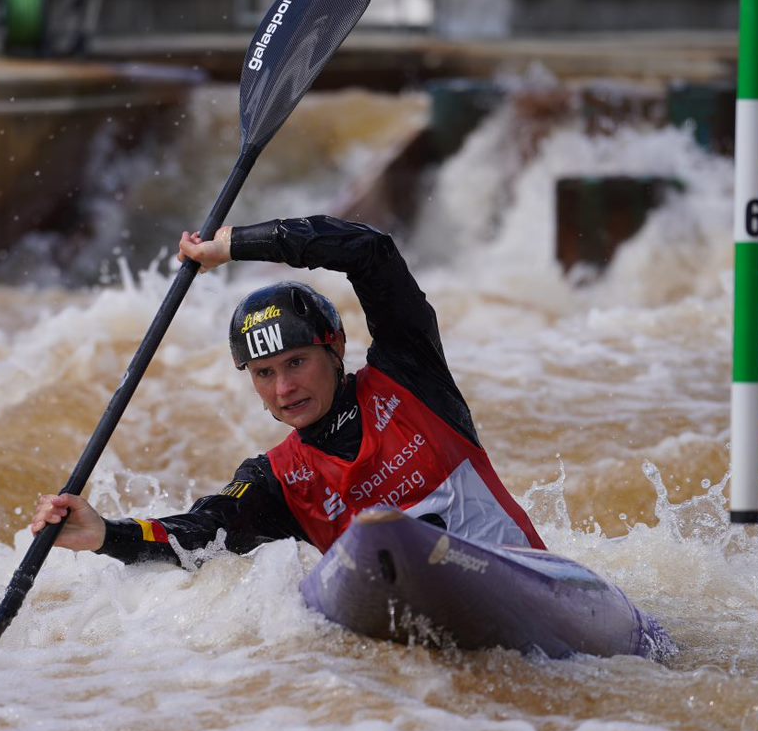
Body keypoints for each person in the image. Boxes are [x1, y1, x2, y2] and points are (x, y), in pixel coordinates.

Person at [31, 215, 545, 563]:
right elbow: (201, 534)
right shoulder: (277, 480)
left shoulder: (412, 375)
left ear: (337, 346)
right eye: (264, 373)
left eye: (296, 362)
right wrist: (104, 536)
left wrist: (234, 246)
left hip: (532, 586)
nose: (284, 388)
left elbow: (371, 252)